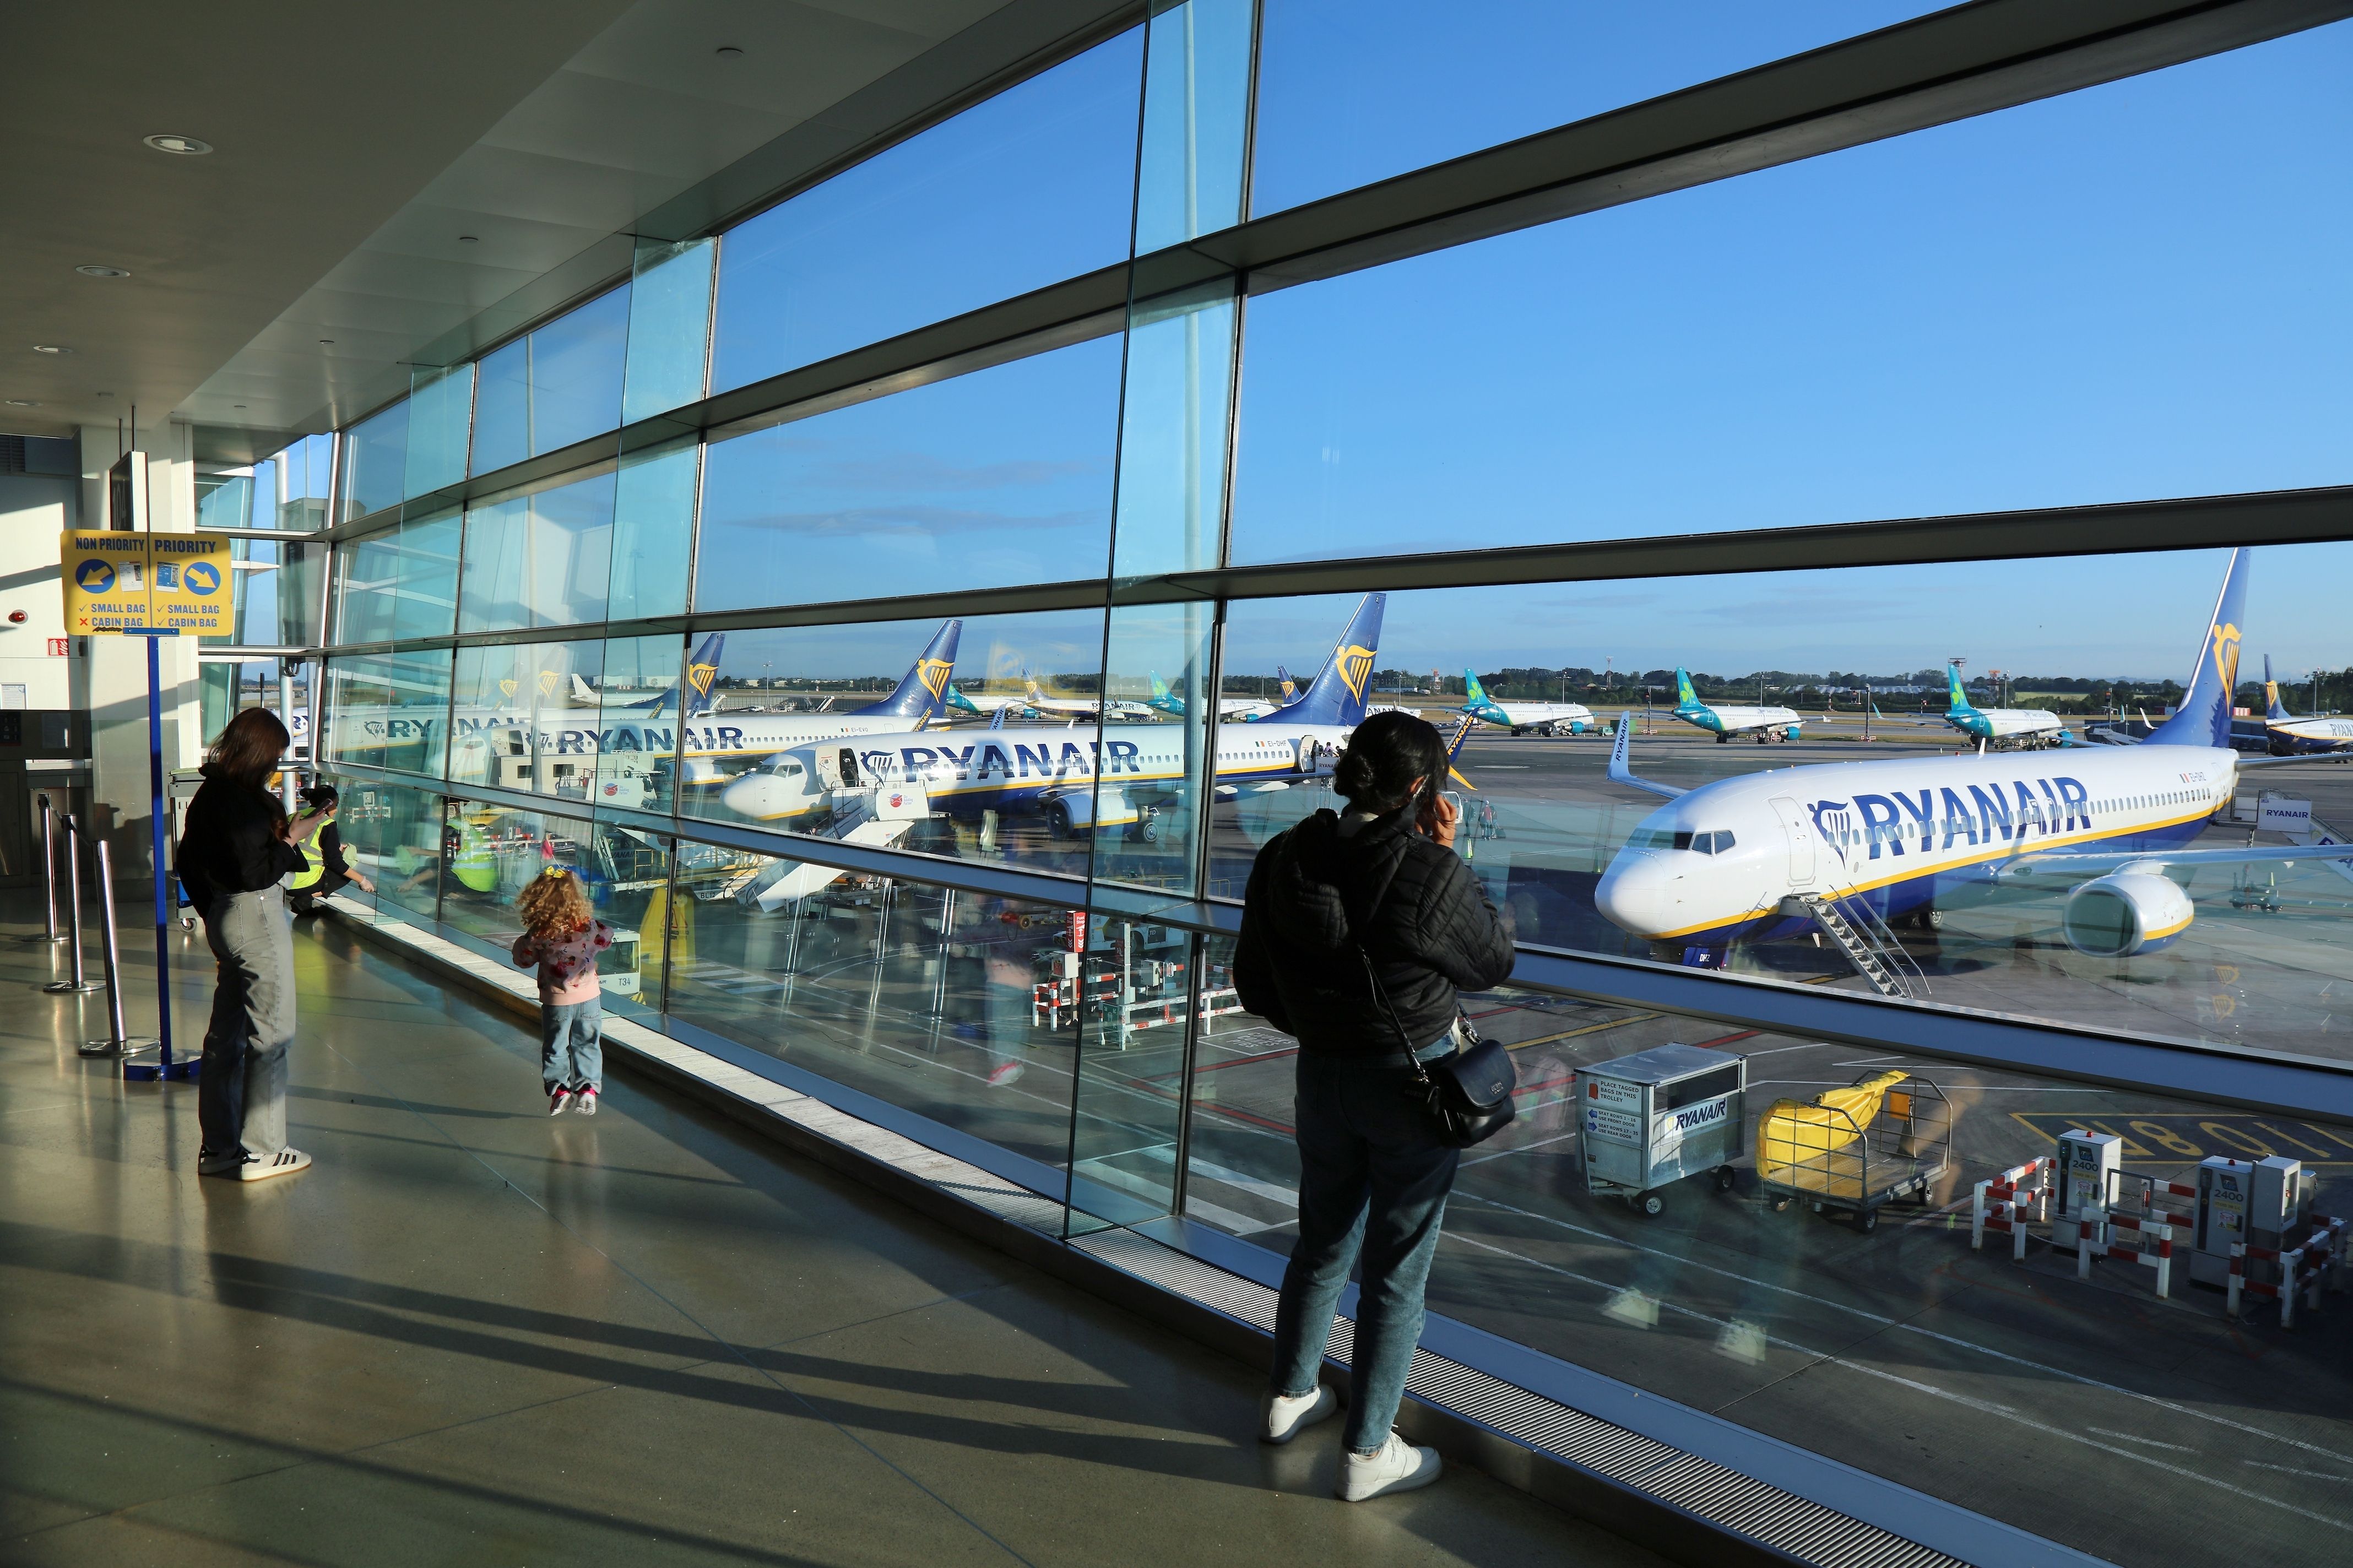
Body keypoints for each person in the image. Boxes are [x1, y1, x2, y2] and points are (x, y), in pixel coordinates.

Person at [1233, 710, 1515, 1501]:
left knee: (1321, 1240)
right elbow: (1493, 958)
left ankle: (1289, 1396)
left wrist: (1327, 1027)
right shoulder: (1431, 871)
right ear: (1422, 789)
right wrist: (1451, 856)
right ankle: (1367, 1448)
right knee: (1396, 1271)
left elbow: (1253, 982)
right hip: (1411, 1084)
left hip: (1321, 1076)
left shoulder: (1283, 857)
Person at [181, 708, 313, 1181]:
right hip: (255, 913)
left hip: (224, 914)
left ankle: (218, 1148)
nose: (276, 765)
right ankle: (263, 1149)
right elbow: (254, 872)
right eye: (275, 756)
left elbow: (188, 861)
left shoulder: (209, 794)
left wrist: (214, 912)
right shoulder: (241, 802)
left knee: (226, 1038)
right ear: (259, 753)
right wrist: (293, 837)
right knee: (272, 1034)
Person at [511, 867, 612, 1115]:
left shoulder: (540, 934)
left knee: (556, 1046)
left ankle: (560, 1090)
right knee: (588, 1043)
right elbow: (606, 938)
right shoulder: (588, 925)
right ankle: (588, 1089)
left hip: (557, 1002)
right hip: (590, 999)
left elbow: (522, 960)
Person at [284, 784, 376, 916]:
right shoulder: (326, 823)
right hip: (303, 883)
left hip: (284, 879)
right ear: (327, 805)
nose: (337, 810)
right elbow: (335, 863)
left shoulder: (294, 816)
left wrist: (335, 847)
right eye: (336, 805)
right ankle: (306, 898)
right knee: (347, 862)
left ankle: (303, 897)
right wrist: (362, 880)